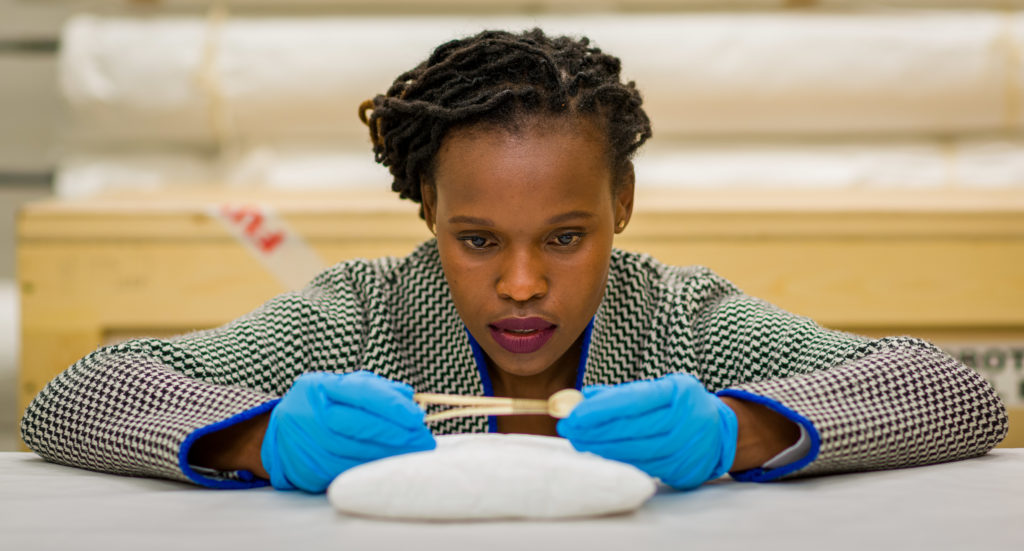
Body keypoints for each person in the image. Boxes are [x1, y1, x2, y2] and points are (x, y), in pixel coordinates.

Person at [21, 29, 1007, 494]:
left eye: (567, 238)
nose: (524, 284)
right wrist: (258, 440)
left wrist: (737, 430)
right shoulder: (358, 316)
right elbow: (73, 396)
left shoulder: (677, 320)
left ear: (622, 205)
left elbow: (952, 396)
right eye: (477, 240)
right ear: (426, 213)